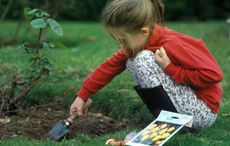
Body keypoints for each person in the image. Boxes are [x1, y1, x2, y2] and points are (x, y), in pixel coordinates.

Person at [69, 0, 223, 129]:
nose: (121, 46)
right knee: (131, 61)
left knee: (142, 59)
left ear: (143, 32)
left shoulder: (172, 43)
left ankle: (171, 122)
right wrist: (82, 96)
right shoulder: (141, 42)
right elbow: (109, 67)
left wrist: (170, 68)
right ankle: (166, 119)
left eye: (123, 40)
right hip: (187, 109)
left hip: (203, 112)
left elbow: (213, 75)